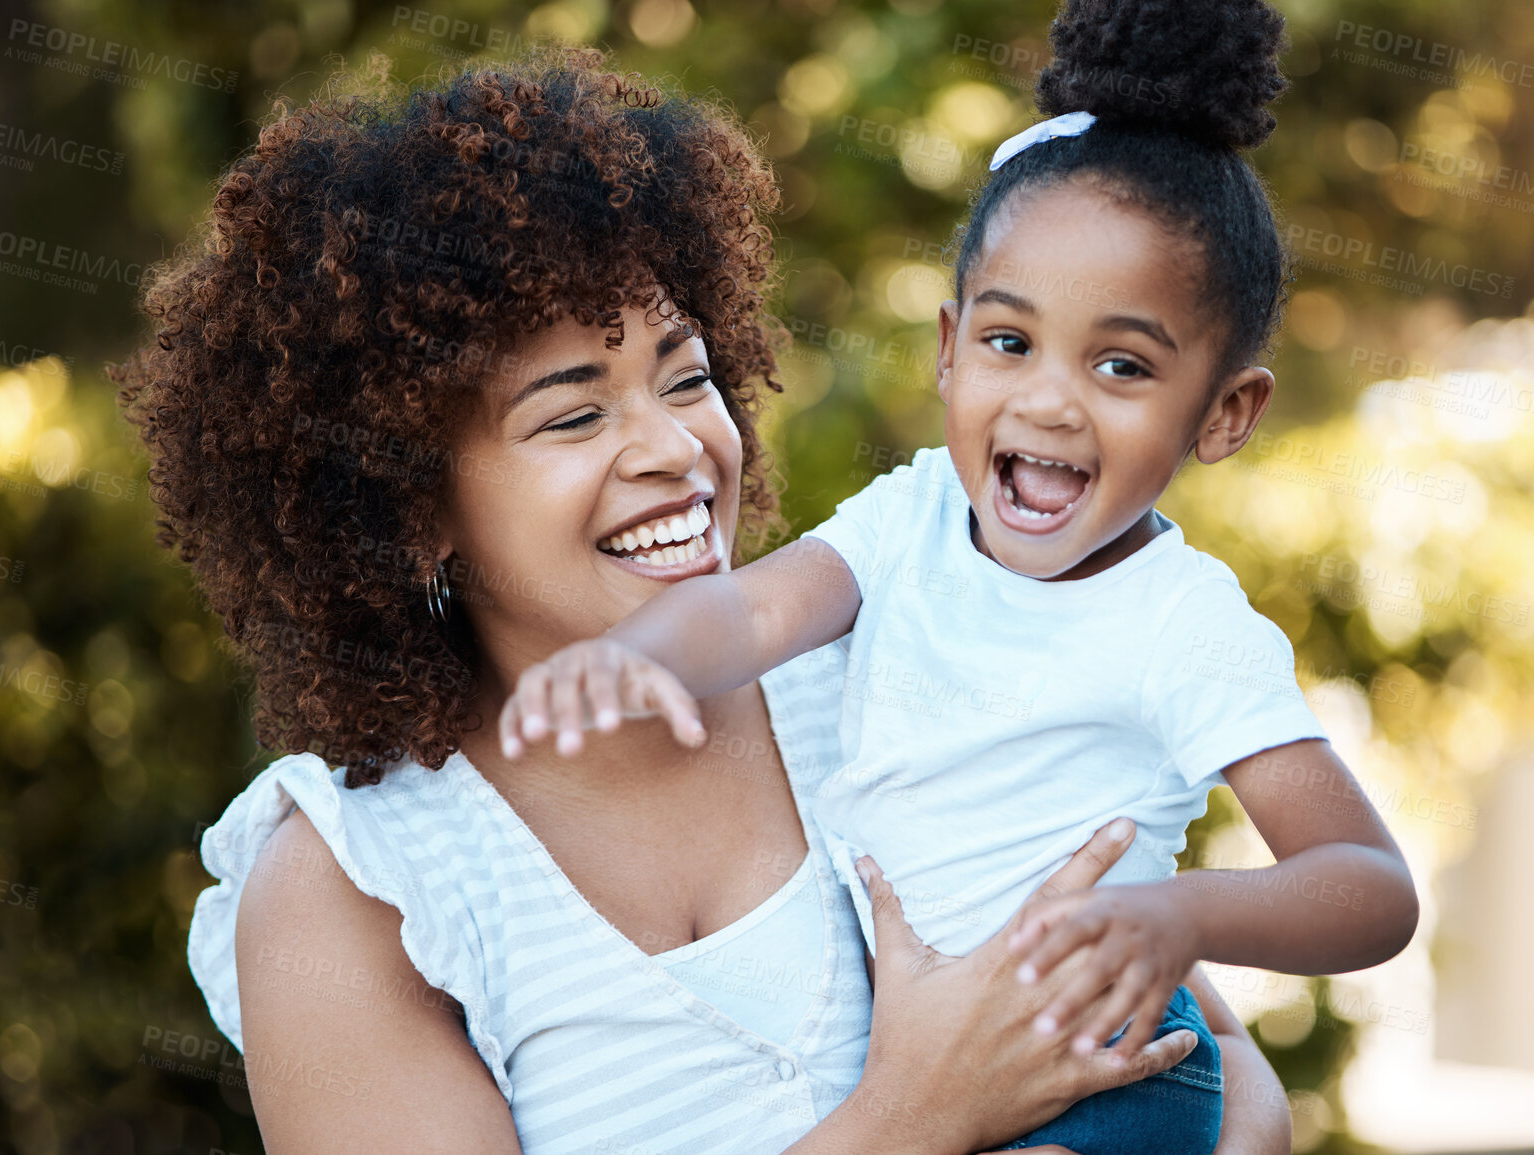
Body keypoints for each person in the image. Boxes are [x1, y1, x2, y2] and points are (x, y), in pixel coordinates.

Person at [115, 44, 1294, 1155]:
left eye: (688, 378)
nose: (675, 448)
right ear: (406, 500)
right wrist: (905, 1120)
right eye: (575, 415)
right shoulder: (355, 891)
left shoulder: (888, 670)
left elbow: (1228, 1084)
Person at [497, 3, 1420, 1153]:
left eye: (1122, 364)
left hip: (1103, 1081)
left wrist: (1180, 915)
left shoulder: (1181, 624)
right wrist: (629, 657)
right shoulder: (915, 516)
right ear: (947, 349)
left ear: (1225, 414)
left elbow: (1371, 887)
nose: (1046, 399)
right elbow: (754, 607)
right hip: (946, 1071)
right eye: (1008, 342)